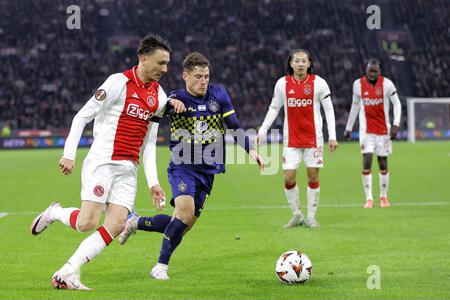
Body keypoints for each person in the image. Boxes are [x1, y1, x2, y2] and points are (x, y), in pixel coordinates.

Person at [29, 34, 185, 290]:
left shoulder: (158, 96)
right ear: (143, 59)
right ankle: (54, 212)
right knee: (87, 223)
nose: (165, 69)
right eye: (161, 63)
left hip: (129, 169)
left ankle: (68, 272)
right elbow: (81, 117)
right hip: (103, 161)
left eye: (167, 64)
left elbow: (149, 143)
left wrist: (153, 182)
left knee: (116, 225)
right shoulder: (118, 82)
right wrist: (69, 154)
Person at [118, 52, 265, 280]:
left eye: (206, 76)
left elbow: (234, 126)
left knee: (181, 225)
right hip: (182, 165)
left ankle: (135, 222)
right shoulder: (177, 98)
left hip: (209, 171)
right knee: (184, 214)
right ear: (185, 76)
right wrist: (168, 104)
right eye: (198, 76)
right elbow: (157, 108)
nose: (203, 81)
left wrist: (252, 150)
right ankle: (160, 266)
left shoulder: (219, 94)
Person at [257, 49, 338, 228]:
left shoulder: (319, 83)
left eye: (304, 61)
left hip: (314, 139)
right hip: (291, 139)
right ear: (291, 64)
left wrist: (332, 136)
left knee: (312, 175)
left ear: (309, 63)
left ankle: (311, 216)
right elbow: (273, 108)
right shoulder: (282, 84)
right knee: (288, 178)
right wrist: (262, 131)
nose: (300, 64)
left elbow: (329, 110)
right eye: (297, 61)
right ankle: (296, 214)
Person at [343, 58, 401, 208]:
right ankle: (369, 198)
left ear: (379, 71)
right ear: (366, 70)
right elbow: (355, 106)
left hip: (383, 131)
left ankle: (383, 197)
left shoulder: (387, 84)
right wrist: (348, 128)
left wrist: (395, 125)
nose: (373, 74)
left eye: (375, 71)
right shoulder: (358, 85)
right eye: (370, 71)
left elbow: (397, 104)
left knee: (382, 162)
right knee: (367, 160)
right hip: (366, 132)